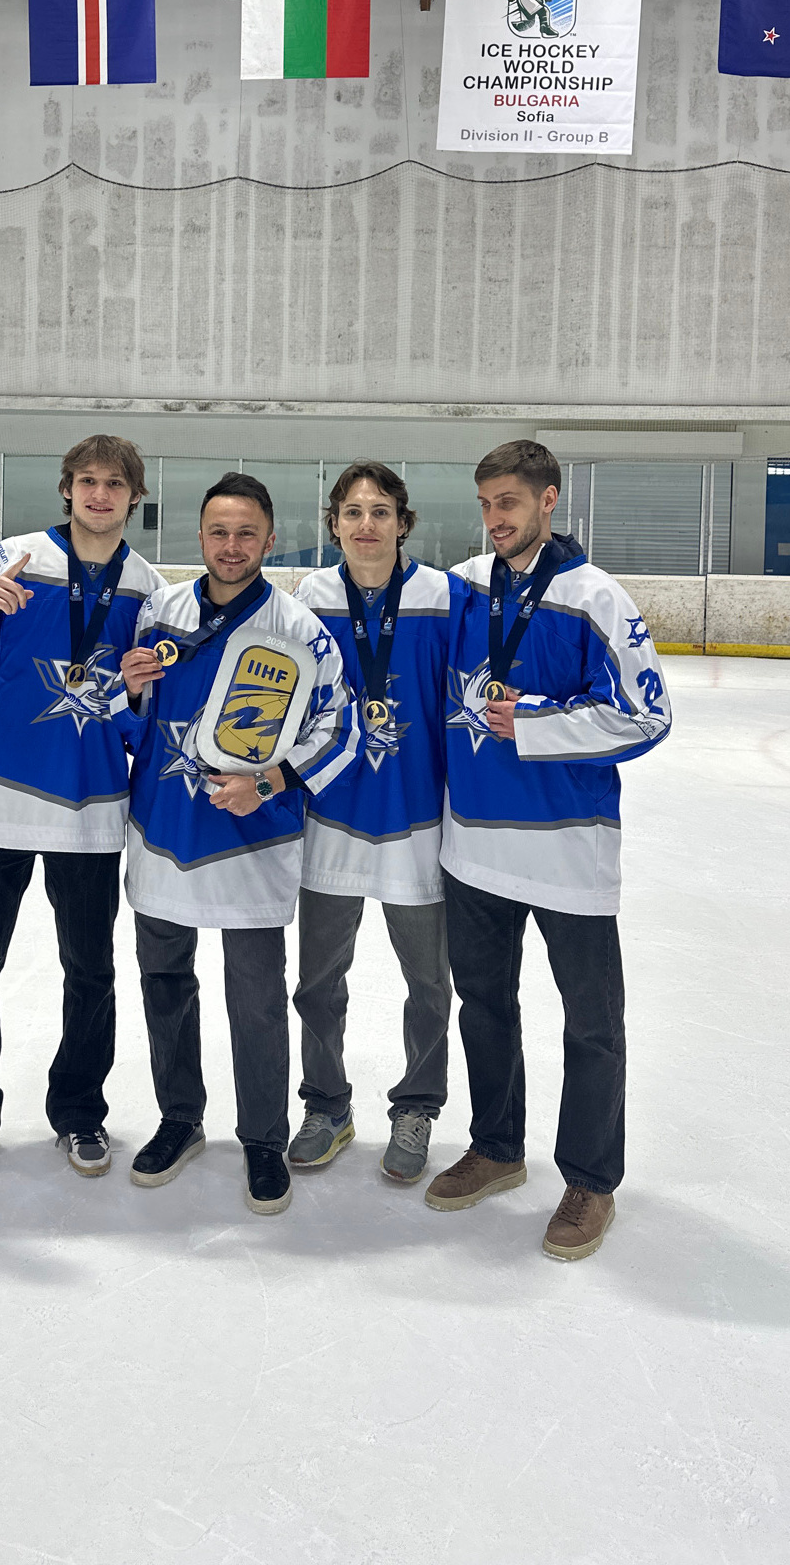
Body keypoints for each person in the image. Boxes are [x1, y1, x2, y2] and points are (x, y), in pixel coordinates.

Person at [428, 440, 671, 1260]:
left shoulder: (595, 597)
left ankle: (591, 1181)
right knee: (485, 1006)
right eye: (485, 504)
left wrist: (536, 722)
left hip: (569, 853)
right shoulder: (464, 587)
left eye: (509, 502)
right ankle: (497, 1147)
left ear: (548, 500)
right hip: (472, 847)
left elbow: (647, 715)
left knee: (591, 1025)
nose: (495, 518)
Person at [0, 435, 167, 1190]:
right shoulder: (12, 560)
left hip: (90, 812)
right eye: (87, 481)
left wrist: (135, 690)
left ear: (134, 497)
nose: (99, 495)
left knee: (90, 972)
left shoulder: (149, 591)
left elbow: (145, 722)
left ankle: (80, 1112)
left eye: (114, 484)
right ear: (67, 488)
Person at [113, 473, 361, 1217]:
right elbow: (126, 718)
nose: (231, 546)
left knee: (255, 997)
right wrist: (131, 689)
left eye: (246, 533)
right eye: (219, 532)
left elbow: (340, 728)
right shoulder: (160, 610)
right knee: (164, 982)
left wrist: (274, 780)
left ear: (270, 540)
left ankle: (262, 1137)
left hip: (253, 838)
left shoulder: (298, 629)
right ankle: (180, 1119)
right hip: (164, 831)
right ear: (200, 537)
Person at [289, 461, 453, 1184]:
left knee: (429, 983)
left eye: (380, 512)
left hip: (417, 820)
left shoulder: (442, 597)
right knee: (318, 982)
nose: (366, 525)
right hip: (331, 817)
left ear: (403, 523)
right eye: (353, 512)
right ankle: (326, 1105)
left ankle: (416, 1106)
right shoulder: (311, 598)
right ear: (334, 524)